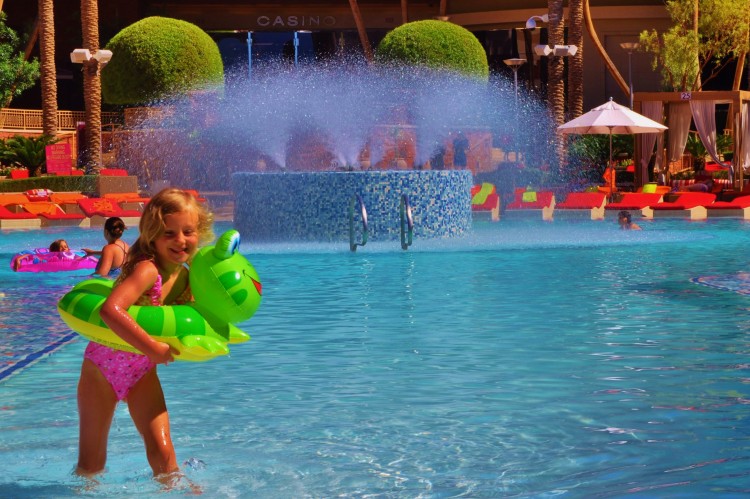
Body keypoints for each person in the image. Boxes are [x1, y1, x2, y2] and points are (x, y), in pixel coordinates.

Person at [75, 188, 214, 481]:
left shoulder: (187, 276)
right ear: (152, 235)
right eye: (169, 233)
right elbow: (110, 311)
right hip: (101, 369)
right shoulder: (148, 270)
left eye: (188, 231)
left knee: (164, 455)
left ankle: (172, 491)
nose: (180, 240)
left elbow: (189, 319)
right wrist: (152, 347)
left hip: (141, 372)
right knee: (92, 462)